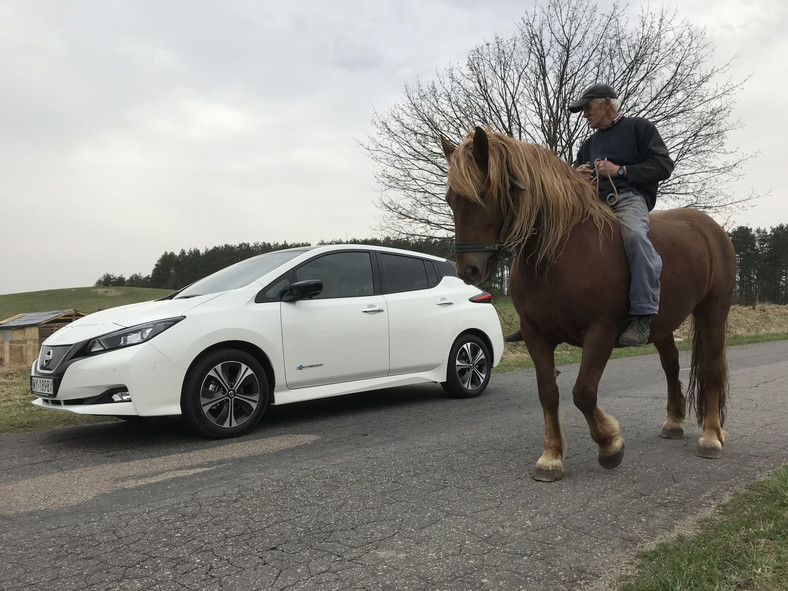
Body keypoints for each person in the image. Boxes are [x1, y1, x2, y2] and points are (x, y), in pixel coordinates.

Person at [568, 83, 674, 346]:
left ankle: (642, 316)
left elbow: (663, 165)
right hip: (591, 203)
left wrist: (620, 171)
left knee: (634, 236)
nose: (584, 114)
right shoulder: (588, 144)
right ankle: (542, 315)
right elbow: (573, 173)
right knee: (554, 233)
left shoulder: (639, 128)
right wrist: (573, 175)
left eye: (588, 107)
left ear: (606, 104)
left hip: (627, 199)